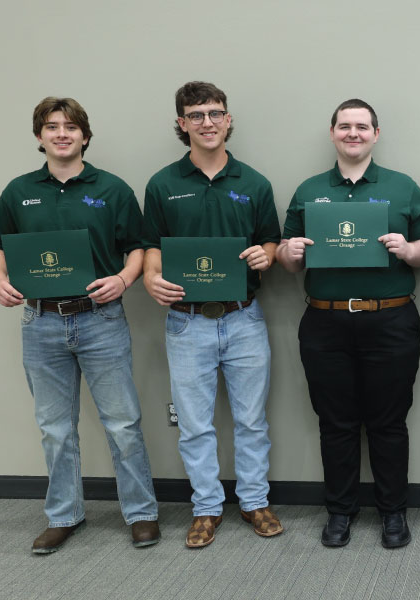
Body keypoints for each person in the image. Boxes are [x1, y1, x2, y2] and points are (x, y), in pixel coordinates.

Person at [277, 99, 420, 549]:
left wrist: (410, 250)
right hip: (325, 323)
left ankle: (393, 513)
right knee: (335, 423)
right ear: (332, 133)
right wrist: (286, 254)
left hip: (390, 318)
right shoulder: (310, 189)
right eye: (345, 126)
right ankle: (340, 512)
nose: (354, 133)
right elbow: (286, 257)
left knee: (389, 423)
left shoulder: (402, 186)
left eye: (362, 126)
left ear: (376, 133)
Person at [0, 97, 159, 553]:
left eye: (71, 127)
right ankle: (64, 515)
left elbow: (138, 245)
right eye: (52, 127)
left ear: (85, 136)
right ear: (39, 137)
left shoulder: (112, 189)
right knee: (55, 427)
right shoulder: (17, 191)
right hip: (40, 321)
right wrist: (1, 280)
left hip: (100, 318)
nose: (62, 133)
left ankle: (142, 512)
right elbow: (2, 247)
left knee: (123, 422)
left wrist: (125, 279)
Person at [142, 81, 283, 548]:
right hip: (186, 321)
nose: (208, 122)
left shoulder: (254, 182)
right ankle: (205, 508)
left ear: (228, 120)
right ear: (182, 124)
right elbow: (151, 250)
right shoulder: (162, 184)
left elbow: (269, 240)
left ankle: (254, 501)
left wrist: (267, 255)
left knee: (251, 420)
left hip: (244, 318)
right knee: (195, 423)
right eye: (197, 115)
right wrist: (150, 278)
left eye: (216, 113)